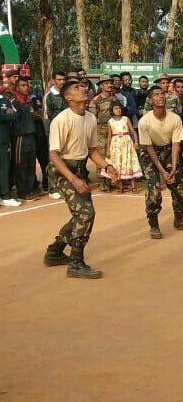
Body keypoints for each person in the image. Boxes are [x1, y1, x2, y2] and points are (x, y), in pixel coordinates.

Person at [44, 80, 120, 279]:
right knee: (86, 213)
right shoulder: (61, 120)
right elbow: (53, 155)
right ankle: (76, 263)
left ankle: (54, 251)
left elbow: (92, 150)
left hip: (79, 169)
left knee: (82, 214)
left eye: (83, 86)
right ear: (68, 97)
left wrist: (107, 166)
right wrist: (74, 180)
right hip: (61, 170)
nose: (83, 88)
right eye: (76, 88)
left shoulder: (90, 118)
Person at [138, 86, 183, 239]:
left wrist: (174, 166)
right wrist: (163, 171)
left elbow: (176, 144)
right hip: (150, 154)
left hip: (169, 151)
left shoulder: (175, 118)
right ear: (150, 100)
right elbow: (149, 148)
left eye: (162, 94)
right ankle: (154, 225)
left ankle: (179, 219)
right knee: (154, 191)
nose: (161, 97)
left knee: (179, 189)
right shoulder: (144, 121)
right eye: (156, 95)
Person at [102, 101, 142, 193]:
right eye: (115, 109)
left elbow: (132, 131)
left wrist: (136, 142)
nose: (118, 110)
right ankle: (120, 186)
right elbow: (109, 136)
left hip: (127, 142)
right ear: (112, 110)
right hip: (115, 144)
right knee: (117, 164)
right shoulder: (110, 121)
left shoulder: (126, 119)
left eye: (119, 108)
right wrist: (108, 149)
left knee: (130, 162)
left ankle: (133, 185)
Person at [11, 76, 39, 201]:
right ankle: (22, 192)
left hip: (31, 136)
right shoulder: (14, 102)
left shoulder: (30, 101)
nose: (26, 87)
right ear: (17, 88)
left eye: (27, 85)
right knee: (20, 165)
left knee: (31, 164)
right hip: (20, 138)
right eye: (23, 85)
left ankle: (31, 189)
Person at [89, 75, 116, 191]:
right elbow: (92, 118)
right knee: (101, 156)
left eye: (110, 83)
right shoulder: (96, 100)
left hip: (114, 132)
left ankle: (112, 179)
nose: (109, 85)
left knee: (112, 156)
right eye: (106, 83)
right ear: (101, 85)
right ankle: (103, 182)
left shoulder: (115, 99)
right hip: (100, 133)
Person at [44, 70, 67, 199]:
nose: (62, 82)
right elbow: (46, 116)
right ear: (53, 80)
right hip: (53, 132)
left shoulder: (67, 94)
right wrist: (49, 134)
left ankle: (64, 186)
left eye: (63, 80)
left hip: (67, 132)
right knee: (53, 160)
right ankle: (52, 188)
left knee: (66, 159)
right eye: (59, 80)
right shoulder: (49, 95)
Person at [0, 88, 21, 207]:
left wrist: (6, 115)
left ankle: (6, 195)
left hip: (3, 140)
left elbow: (15, 115)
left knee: (5, 168)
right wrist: (5, 114)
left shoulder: (4, 99)